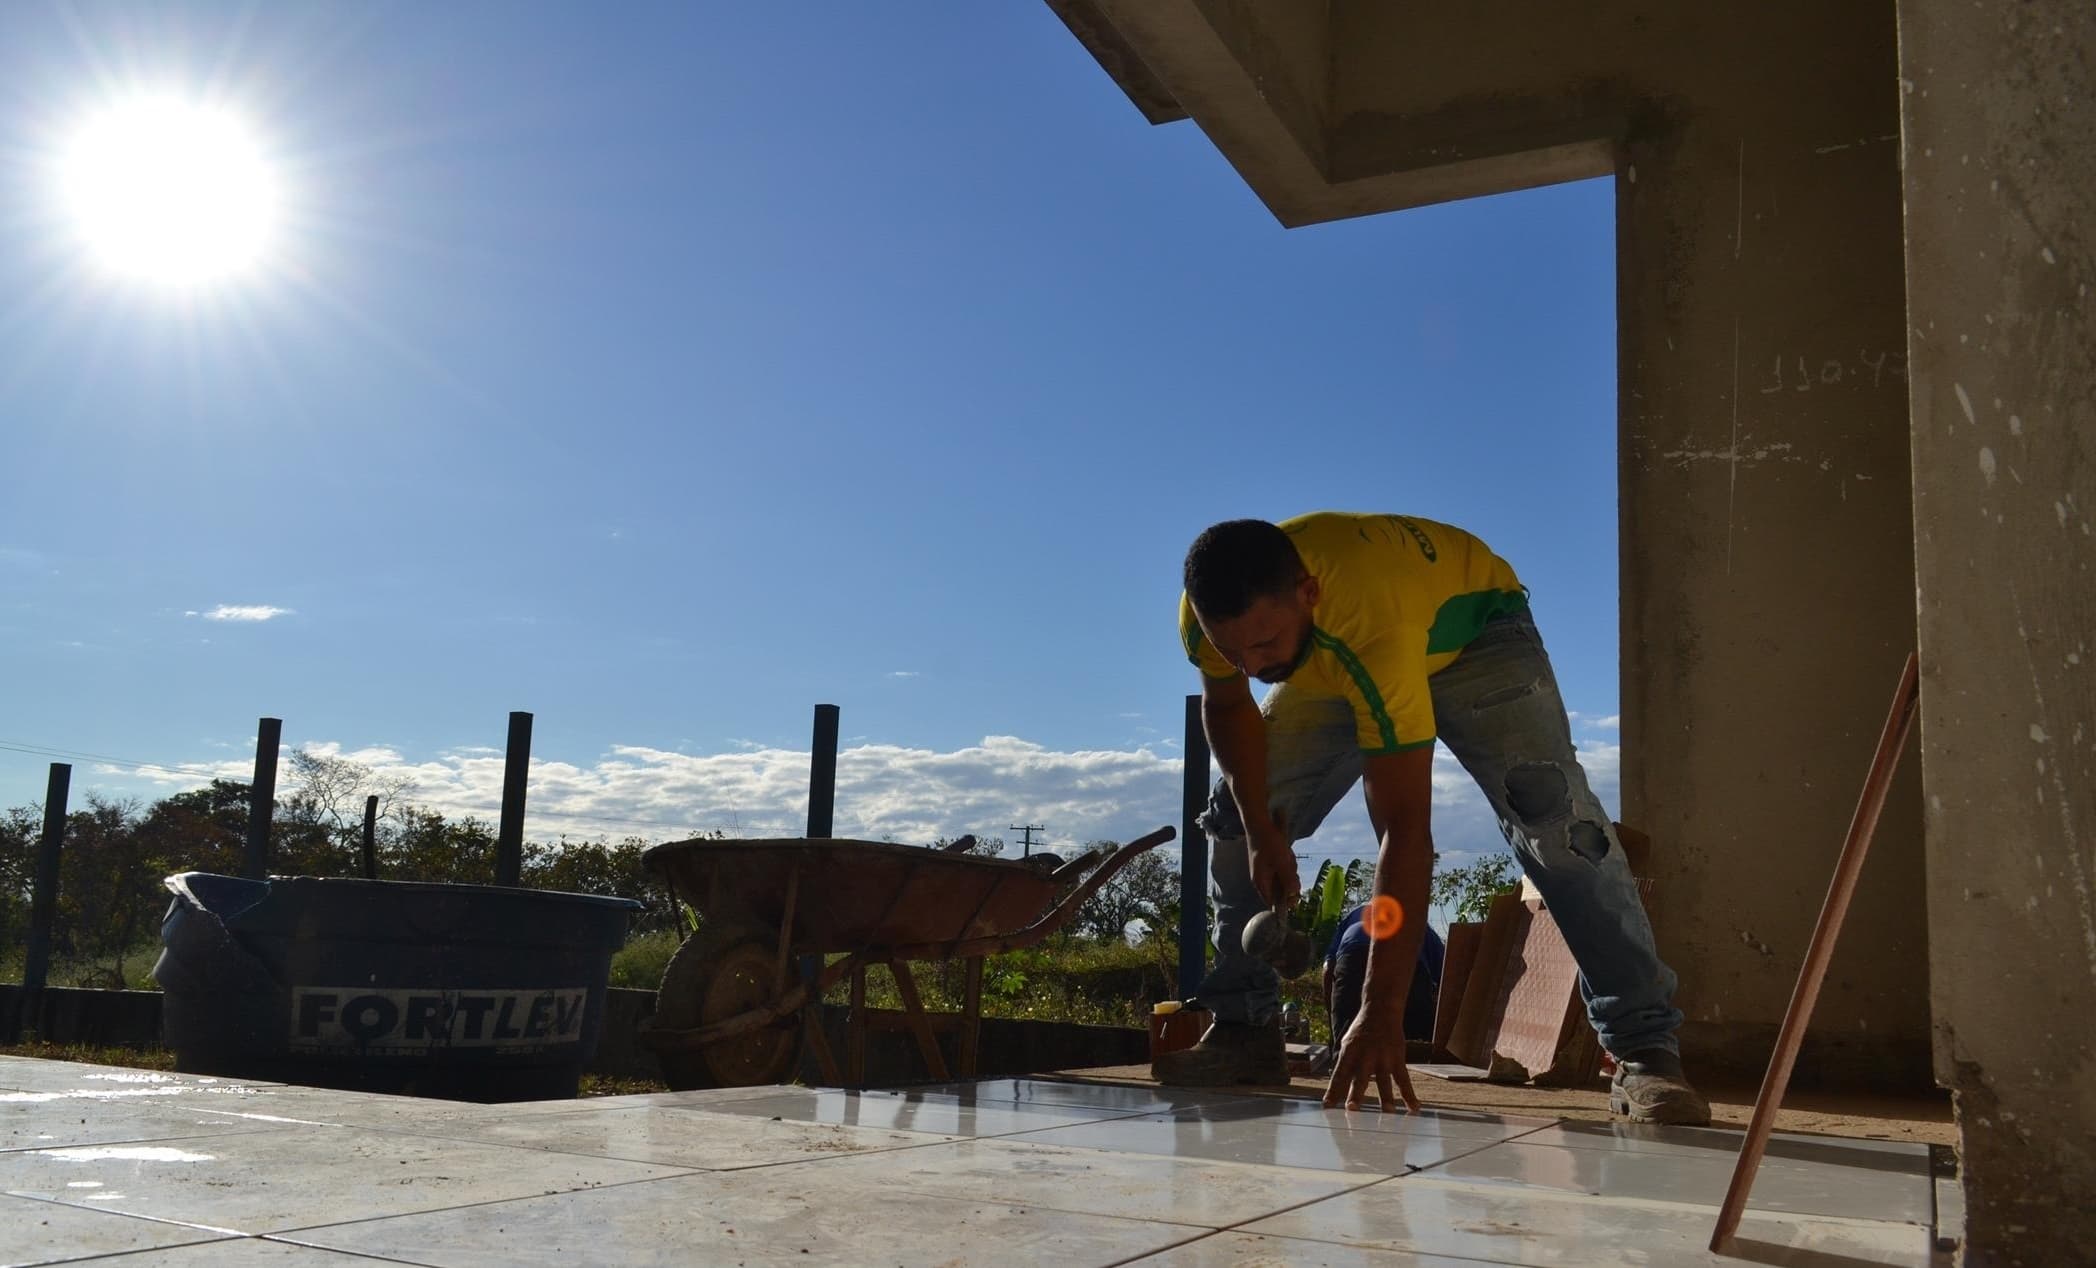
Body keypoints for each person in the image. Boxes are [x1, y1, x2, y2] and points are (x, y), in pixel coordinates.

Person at [1154, 512, 1708, 1125]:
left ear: (1308, 593)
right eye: (1231, 651)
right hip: (1330, 650)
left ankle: (1645, 1048)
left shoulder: (1374, 630)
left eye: (1262, 645)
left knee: (1560, 828)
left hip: (1476, 634)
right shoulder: (1213, 621)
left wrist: (1380, 1010)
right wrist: (1263, 833)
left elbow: (1404, 831)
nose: (1249, 666)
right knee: (1235, 817)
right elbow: (1228, 707)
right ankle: (1244, 1030)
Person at [1324, 905, 1444, 1054]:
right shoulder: (1417, 923)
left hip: (1354, 954)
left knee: (1347, 1050)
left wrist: (1334, 1029)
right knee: (1414, 1051)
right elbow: (1446, 978)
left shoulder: (1354, 916)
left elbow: (1328, 970)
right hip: (1405, 956)